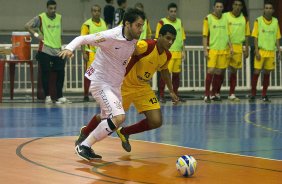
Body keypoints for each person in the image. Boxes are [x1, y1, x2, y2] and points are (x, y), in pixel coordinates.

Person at [75, 24, 179, 153]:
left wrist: (172, 90)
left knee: (156, 121)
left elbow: (164, 72)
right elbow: (128, 50)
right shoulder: (146, 45)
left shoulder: (167, 55)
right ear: (160, 36)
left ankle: (125, 133)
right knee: (108, 119)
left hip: (142, 88)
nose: (170, 42)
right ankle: (85, 132)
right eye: (168, 38)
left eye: (173, 40)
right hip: (124, 86)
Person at [58, 8, 145, 161]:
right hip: (101, 82)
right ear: (127, 24)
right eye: (138, 25)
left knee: (109, 122)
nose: (141, 29)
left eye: (142, 25)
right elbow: (83, 38)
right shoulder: (111, 36)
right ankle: (84, 145)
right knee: (119, 117)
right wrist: (69, 48)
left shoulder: (134, 38)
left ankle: (86, 139)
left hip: (115, 85)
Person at [25, 0, 70, 104]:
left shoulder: (59, 17)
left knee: (61, 73)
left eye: (54, 8)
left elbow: (59, 34)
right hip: (45, 49)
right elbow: (27, 26)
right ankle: (47, 96)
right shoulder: (41, 17)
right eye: (51, 8)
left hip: (58, 49)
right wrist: (37, 35)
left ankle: (60, 96)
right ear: (47, 8)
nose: (53, 10)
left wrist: (62, 47)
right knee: (45, 73)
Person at [249, 1, 281, 102]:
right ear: (264, 10)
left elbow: (277, 38)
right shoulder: (258, 21)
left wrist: (279, 50)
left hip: (271, 51)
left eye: (270, 8)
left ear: (273, 10)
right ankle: (253, 94)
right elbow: (255, 36)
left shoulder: (275, 21)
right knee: (256, 72)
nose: (268, 9)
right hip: (261, 51)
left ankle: (264, 95)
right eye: (266, 8)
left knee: (267, 73)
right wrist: (257, 51)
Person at [202, 0, 233, 103]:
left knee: (219, 72)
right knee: (210, 70)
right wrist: (205, 50)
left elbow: (228, 35)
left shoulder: (225, 19)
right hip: (213, 50)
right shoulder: (208, 18)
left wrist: (231, 47)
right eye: (217, 6)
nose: (219, 8)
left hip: (223, 50)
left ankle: (214, 94)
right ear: (214, 8)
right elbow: (205, 35)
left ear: (223, 8)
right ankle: (206, 95)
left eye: (221, 7)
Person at [155, 3, 186, 103]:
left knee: (176, 75)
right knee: (164, 75)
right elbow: (157, 37)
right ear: (168, 12)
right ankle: (161, 95)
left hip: (177, 52)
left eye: (175, 11)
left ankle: (175, 95)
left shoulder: (180, 22)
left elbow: (182, 37)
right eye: (171, 11)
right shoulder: (162, 21)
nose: (173, 13)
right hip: (167, 53)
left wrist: (183, 51)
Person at [224, 0, 250, 101]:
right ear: (232, 6)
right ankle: (215, 93)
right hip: (225, 46)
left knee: (233, 72)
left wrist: (246, 48)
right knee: (219, 71)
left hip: (238, 47)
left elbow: (247, 35)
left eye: (240, 5)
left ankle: (232, 93)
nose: (237, 7)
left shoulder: (244, 19)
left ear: (242, 7)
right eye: (236, 5)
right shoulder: (225, 16)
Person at [81, 5, 107, 102]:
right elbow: (82, 40)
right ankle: (86, 95)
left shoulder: (103, 23)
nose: (96, 13)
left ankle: (100, 94)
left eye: (98, 11)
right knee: (89, 74)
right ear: (91, 12)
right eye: (94, 11)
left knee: (101, 75)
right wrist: (84, 53)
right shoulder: (86, 25)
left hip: (101, 54)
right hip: (90, 53)